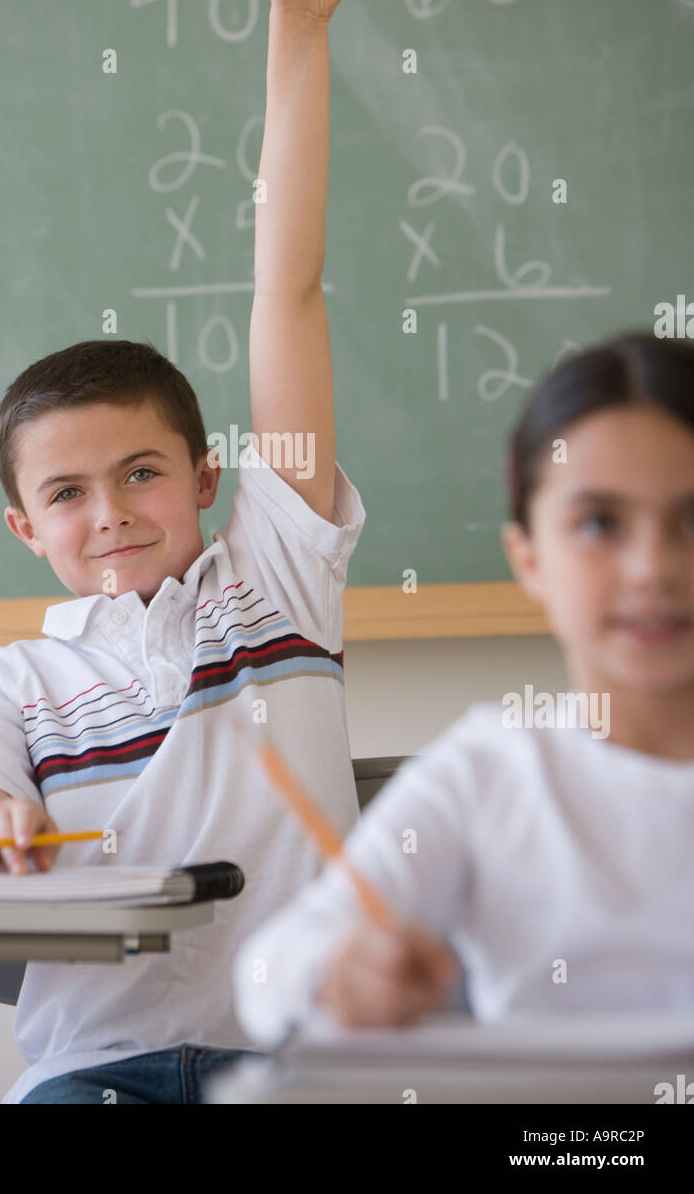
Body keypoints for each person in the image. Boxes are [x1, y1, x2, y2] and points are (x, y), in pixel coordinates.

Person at [0, 0, 423, 1103]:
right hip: (99, 1072)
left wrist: (297, 28)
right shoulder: (12, 679)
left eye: (140, 472)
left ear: (207, 476)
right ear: (24, 527)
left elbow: (285, 287)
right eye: (67, 494)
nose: (110, 513)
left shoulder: (277, 572)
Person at [233, 333, 694, 1044]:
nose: (650, 569)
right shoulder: (492, 770)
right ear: (529, 557)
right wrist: (334, 972)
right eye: (600, 523)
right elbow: (267, 974)